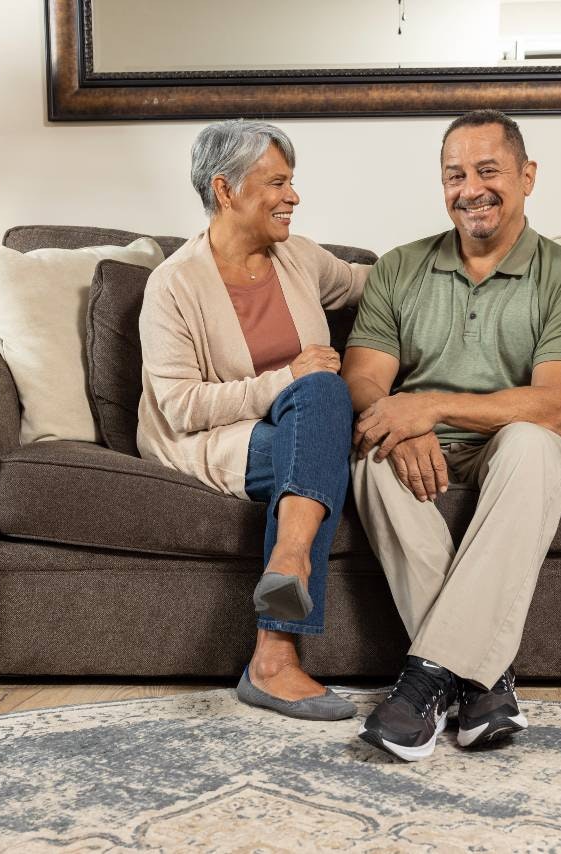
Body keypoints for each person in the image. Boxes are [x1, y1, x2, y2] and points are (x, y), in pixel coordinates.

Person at [341, 109, 561, 760]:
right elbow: (362, 381)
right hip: (424, 452)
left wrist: (427, 406)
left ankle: (425, 681)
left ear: (527, 176)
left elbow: (553, 406)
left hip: (511, 448)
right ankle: (485, 688)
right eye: (454, 174)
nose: (471, 188)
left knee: (529, 442)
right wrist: (399, 425)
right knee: (372, 454)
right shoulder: (400, 269)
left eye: (488, 170)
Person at [137, 119, 368, 721]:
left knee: (320, 402)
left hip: (303, 430)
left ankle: (284, 570)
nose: (293, 197)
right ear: (226, 189)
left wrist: (456, 264)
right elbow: (181, 405)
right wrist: (286, 380)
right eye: (277, 183)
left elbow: (375, 285)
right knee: (319, 395)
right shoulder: (173, 285)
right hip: (212, 441)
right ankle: (274, 653)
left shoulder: (300, 258)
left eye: (292, 183)